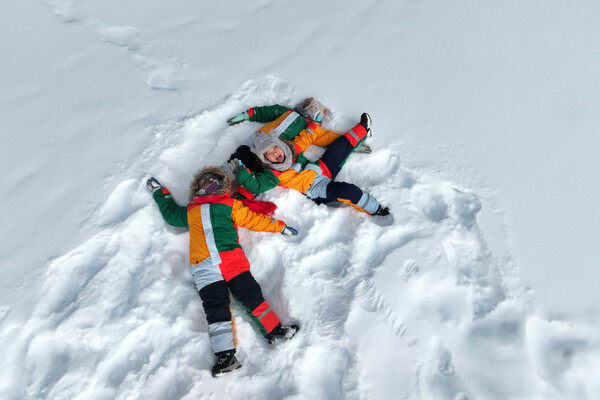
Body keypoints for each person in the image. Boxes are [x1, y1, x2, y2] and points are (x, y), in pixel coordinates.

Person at [146, 167, 299, 377]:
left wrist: (278, 226)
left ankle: (275, 331)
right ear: (196, 189)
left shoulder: (229, 205)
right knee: (215, 307)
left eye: (212, 183)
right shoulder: (191, 211)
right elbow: (171, 214)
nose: (206, 187)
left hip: (232, 261)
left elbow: (253, 219)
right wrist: (159, 193)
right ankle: (226, 356)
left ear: (222, 187)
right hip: (204, 267)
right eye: (203, 184)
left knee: (251, 296)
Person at [225, 101, 389, 216]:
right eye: (269, 154)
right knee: (348, 190)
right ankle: (376, 209)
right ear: (266, 159)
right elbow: (257, 185)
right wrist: (241, 172)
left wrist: (313, 126)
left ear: (280, 145)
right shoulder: (272, 174)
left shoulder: (292, 149)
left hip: (322, 168)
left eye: (275, 149)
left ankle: (364, 129)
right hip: (316, 188)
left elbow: (307, 137)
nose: (275, 154)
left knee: (340, 146)